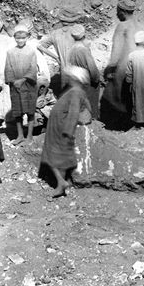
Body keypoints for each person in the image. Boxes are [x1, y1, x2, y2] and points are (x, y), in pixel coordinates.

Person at [40, 66, 92, 198]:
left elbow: (74, 111)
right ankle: (60, 185)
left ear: (76, 79)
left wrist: (68, 131)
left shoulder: (75, 91)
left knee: (51, 153)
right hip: (58, 124)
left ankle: (61, 182)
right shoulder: (77, 91)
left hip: (61, 126)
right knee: (59, 156)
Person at [101, 0, 138, 128]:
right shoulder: (139, 25)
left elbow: (116, 54)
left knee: (112, 95)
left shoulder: (122, 26)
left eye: (117, 12)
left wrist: (108, 68)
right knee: (131, 95)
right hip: (138, 65)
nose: (116, 14)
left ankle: (115, 127)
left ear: (122, 12)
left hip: (124, 66)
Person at [5, 24, 39, 146]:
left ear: (27, 37)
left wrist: (23, 80)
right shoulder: (10, 52)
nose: (20, 40)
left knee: (30, 111)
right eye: (17, 38)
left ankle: (29, 136)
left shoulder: (31, 51)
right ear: (14, 38)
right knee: (17, 112)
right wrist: (13, 81)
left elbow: (33, 69)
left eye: (23, 38)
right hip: (15, 86)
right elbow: (8, 68)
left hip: (28, 85)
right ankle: (20, 135)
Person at [38, 7, 85, 93]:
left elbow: (40, 46)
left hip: (64, 71)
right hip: (78, 69)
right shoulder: (77, 33)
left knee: (65, 94)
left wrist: (56, 57)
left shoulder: (55, 33)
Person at [66, 24, 101, 120]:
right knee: (91, 103)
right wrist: (97, 79)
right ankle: (93, 121)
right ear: (84, 35)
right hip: (87, 81)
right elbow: (92, 69)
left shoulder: (71, 49)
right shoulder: (84, 50)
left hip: (76, 80)